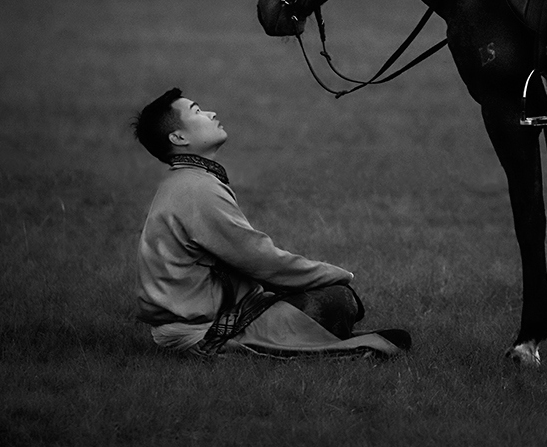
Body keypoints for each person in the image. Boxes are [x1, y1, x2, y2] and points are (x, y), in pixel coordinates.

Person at [131, 87, 408, 359]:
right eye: (197, 111)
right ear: (178, 137)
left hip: (207, 318)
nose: (211, 113)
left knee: (327, 299)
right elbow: (259, 259)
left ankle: (315, 338)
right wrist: (338, 275)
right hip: (202, 331)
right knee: (336, 299)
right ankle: (318, 345)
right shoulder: (195, 188)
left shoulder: (186, 181)